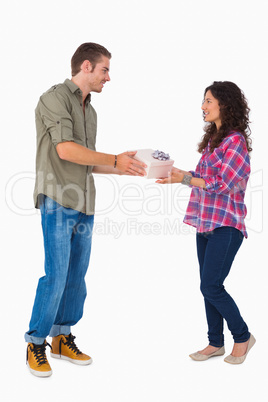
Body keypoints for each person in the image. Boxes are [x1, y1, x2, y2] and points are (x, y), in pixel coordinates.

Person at [25, 42, 147, 377]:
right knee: (57, 273)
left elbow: (88, 162)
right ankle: (36, 342)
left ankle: (62, 338)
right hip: (57, 198)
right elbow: (66, 150)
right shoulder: (53, 99)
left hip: (85, 202)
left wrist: (123, 166)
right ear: (87, 66)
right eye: (105, 69)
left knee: (77, 277)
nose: (109, 77)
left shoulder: (89, 111)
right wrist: (113, 159)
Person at [157, 81, 255, 364]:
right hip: (206, 224)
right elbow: (201, 179)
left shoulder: (234, 141)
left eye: (208, 101)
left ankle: (243, 337)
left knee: (212, 286)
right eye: (204, 101)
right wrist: (174, 173)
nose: (203, 106)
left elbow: (223, 183)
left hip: (226, 226)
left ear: (225, 104)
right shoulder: (214, 142)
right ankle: (215, 342)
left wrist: (184, 178)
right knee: (207, 285)